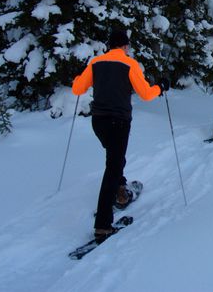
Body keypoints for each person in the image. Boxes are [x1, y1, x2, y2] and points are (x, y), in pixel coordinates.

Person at [72, 29, 168, 241]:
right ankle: (103, 225)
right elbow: (145, 94)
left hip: (98, 122)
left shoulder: (96, 62)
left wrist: (80, 76)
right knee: (113, 166)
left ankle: (120, 188)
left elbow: (77, 89)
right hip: (119, 122)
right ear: (124, 46)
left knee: (115, 159)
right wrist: (160, 87)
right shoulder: (129, 64)